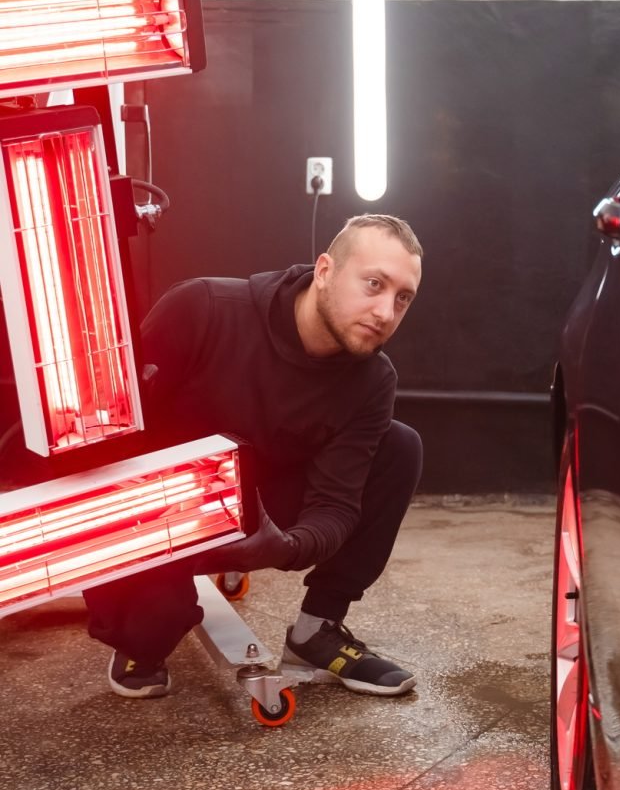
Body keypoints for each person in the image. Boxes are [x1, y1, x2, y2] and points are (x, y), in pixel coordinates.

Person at [83, 213, 424, 700]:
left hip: (261, 511)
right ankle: (147, 626)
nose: (386, 312)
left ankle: (315, 632)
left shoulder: (372, 380)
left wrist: (284, 547)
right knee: (150, 630)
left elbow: (336, 505)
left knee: (400, 445)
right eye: (373, 284)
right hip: (162, 511)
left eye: (402, 298)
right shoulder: (202, 308)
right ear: (324, 270)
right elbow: (114, 439)